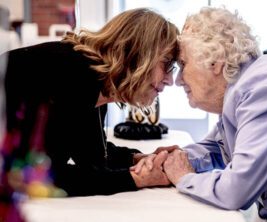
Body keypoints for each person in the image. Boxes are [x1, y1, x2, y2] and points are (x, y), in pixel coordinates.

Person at [153, 7, 267, 221]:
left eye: (183, 64)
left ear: (215, 61)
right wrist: (169, 160)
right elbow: (217, 149)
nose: (178, 79)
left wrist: (183, 177)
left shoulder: (265, 89)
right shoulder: (245, 87)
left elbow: (236, 191)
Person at [2, 8, 178, 196]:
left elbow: (92, 155)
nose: (170, 80)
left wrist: (140, 160)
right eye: (166, 63)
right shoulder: (71, 72)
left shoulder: (93, 82)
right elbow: (35, 175)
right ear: (138, 53)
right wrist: (136, 178)